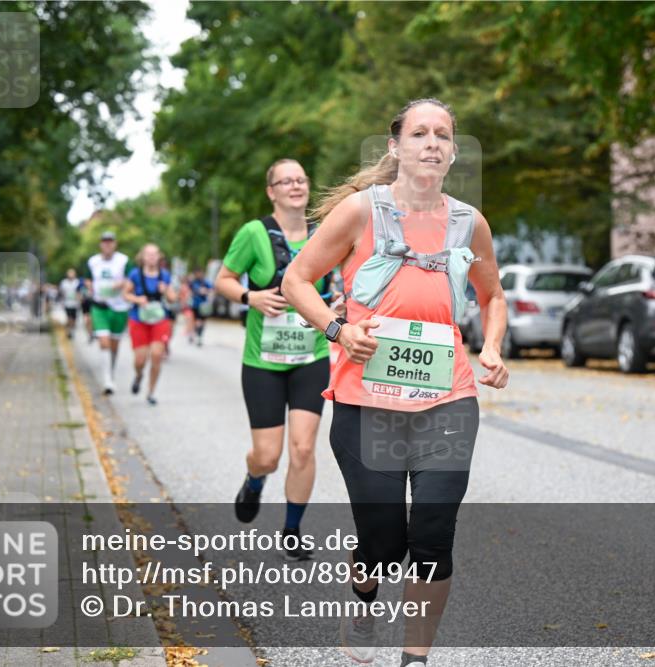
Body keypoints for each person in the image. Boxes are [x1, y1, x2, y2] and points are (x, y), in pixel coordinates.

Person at [282, 98, 509, 667]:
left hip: (448, 397)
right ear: (396, 147)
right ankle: (363, 599)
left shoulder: (468, 222)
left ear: (453, 152)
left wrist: (494, 346)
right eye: (419, 133)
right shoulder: (362, 212)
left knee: (432, 535)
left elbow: (493, 295)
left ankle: (415, 658)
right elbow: (297, 280)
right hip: (366, 399)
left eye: (442, 135)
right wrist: (337, 329)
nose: (431, 143)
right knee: (382, 542)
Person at [214, 158, 333, 562]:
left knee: (303, 449)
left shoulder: (326, 231)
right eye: (286, 181)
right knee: (268, 455)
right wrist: (252, 297)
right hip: (263, 361)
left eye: (301, 179)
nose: (295, 186)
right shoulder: (254, 233)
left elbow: (344, 282)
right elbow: (223, 280)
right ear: (272, 191)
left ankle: (293, 530)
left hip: (311, 357)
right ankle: (254, 479)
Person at [123, 244, 176, 406]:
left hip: (160, 319)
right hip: (139, 319)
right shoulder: (135, 274)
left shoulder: (165, 275)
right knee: (140, 360)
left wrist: (165, 290)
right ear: (143, 257)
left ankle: (151, 392)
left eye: (154, 254)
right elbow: (125, 294)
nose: (152, 257)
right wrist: (138, 300)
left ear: (159, 257)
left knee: (156, 355)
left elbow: (173, 298)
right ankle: (139, 375)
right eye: (148, 254)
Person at [86, 231, 131, 395]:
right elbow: (88, 279)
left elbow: (130, 280)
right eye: (104, 241)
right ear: (100, 244)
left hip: (118, 307)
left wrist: (121, 285)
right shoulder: (93, 262)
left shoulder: (124, 260)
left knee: (114, 345)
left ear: (115, 244)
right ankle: (106, 379)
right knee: (104, 342)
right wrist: (90, 286)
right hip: (100, 306)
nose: (107, 244)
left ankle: (110, 372)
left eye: (110, 241)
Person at [188, 268, 212, 346]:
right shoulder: (193, 282)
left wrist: (206, 291)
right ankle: (195, 334)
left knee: (203, 322)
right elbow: (191, 290)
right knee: (197, 321)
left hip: (204, 306)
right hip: (196, 305)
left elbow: (212, 289)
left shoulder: (206, 282)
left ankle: (199, 335)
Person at [59, 268, 81, 338]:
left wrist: (79, 298)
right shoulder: (64, 282)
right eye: (69, 273)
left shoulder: (77, 282)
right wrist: (62, 301)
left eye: (72, 273)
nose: (71, 275)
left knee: (74, 319)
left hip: (75, 303)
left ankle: (72, 330)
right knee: (69, 318)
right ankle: (69, 331)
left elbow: (80, 292)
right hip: (67, 303)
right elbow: (61, 292)